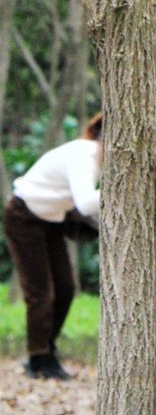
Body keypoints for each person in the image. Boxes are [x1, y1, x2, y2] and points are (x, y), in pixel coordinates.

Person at [3, 113, 102, 380]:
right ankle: (38, 359)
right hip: (24, 216)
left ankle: (47, 349)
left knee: (66, 288)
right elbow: (84, 203)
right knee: (41, 294)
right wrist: (124, 188)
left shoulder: (94, 157)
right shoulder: (85, 154)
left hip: (50, 220)